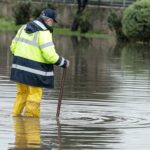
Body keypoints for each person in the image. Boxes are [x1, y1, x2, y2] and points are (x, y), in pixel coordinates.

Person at [10, 8, 69, 117]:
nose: (52, 25)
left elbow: (13, 47)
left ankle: (15, 117)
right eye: (52, 22)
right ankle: (30, 123)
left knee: (22, 94)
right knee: (34, 96)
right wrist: (63, 62)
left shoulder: (23, 27)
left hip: (18, 68)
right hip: (34, 72)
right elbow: (49, 55)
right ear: (48, 20)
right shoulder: (44, 33)